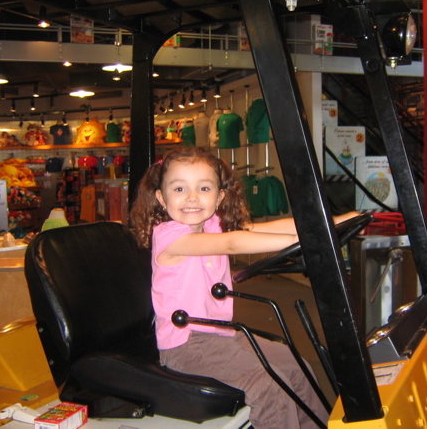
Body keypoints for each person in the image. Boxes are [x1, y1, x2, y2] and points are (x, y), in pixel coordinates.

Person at [130, 147, 358, 429]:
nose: (192, 197)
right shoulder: (170, 237)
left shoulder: (211, 225)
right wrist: (315, 238)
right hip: (187, 347)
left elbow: (265, 228)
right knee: (268, 387)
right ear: (162, 199)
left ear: (219, 197)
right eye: (179, 188)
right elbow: (233, 243)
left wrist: (327, 224)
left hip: (222, 334)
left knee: (296, 366)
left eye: (204, 188)